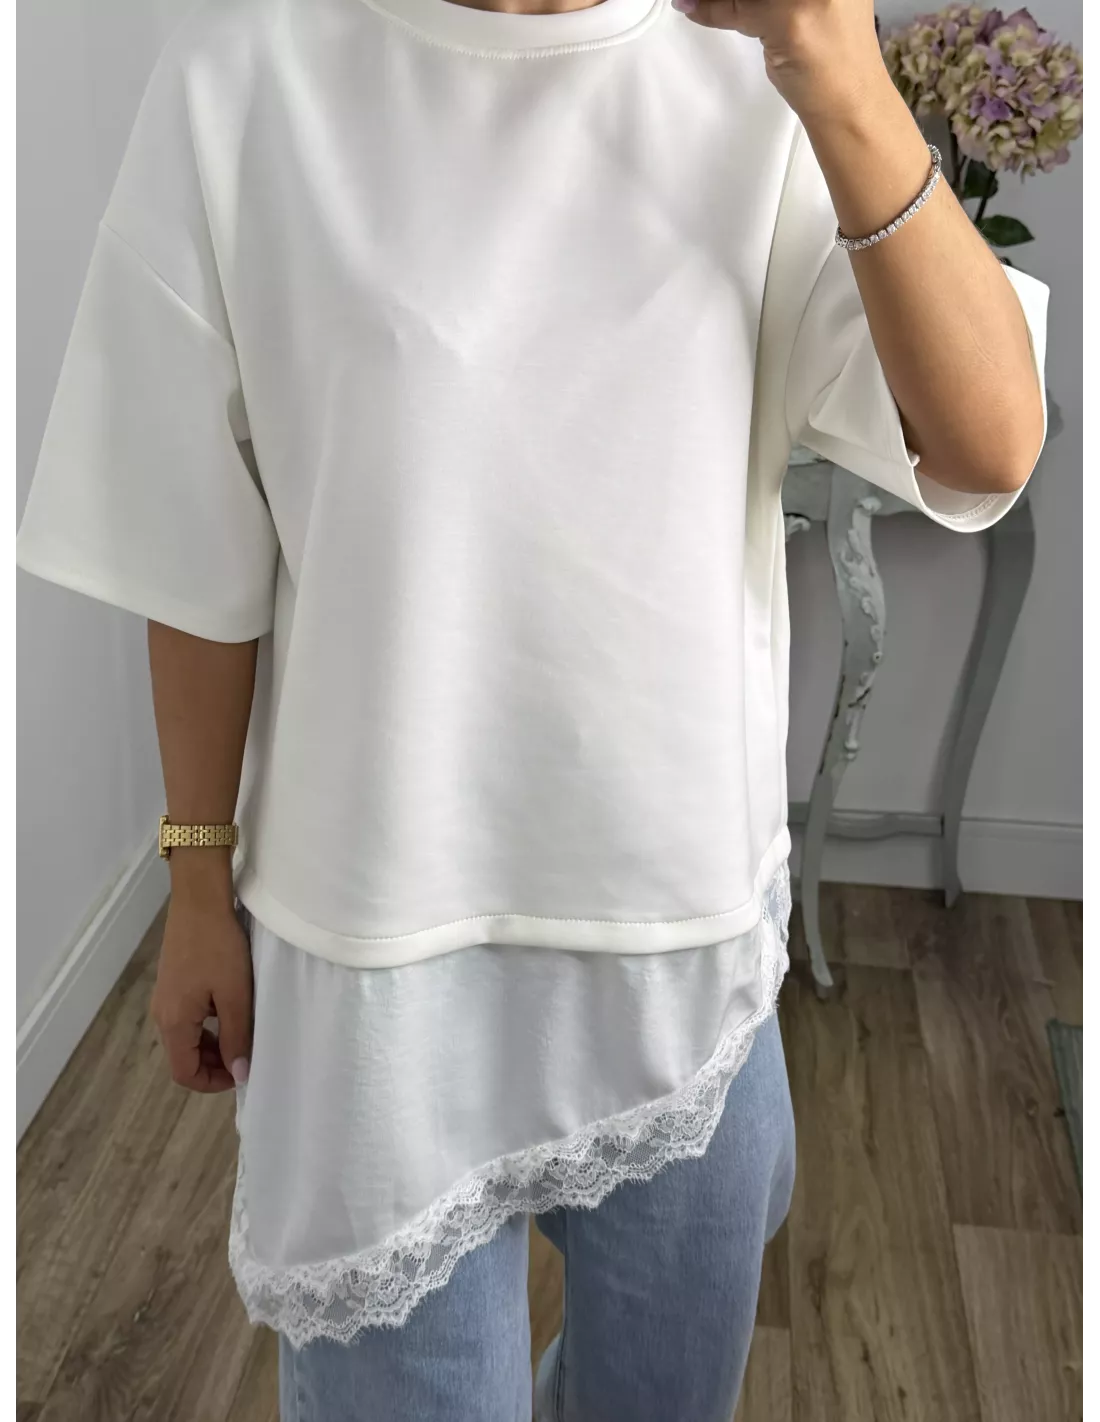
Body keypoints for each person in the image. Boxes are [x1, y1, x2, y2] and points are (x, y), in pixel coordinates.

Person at [17, 0, 1048, 1414]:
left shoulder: (761, 81)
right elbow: (193, 541)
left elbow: (988, 444)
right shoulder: (250, 70)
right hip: (376, 958)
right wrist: (197, 878)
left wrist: (844, 76)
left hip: (676, 944)